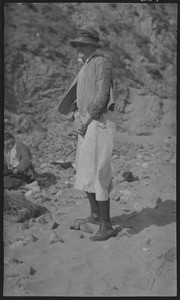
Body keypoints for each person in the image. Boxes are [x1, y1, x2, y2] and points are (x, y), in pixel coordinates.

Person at [58, 26, 117, 241]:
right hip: (86, 123)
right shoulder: (84, 67)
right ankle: (94, 214)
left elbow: (102, 97)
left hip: (99, 122)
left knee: (99, 171)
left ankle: (107, 225)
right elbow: (76, 100)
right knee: (85, 169)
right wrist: (76, 118)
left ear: (93, 45)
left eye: (82, 44)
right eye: (77, 45)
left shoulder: (101, 63)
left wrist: (87, 120)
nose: (78, 48)